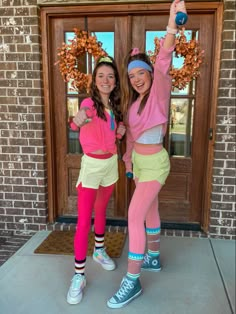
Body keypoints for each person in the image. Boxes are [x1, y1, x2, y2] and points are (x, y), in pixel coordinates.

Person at [107, 0, 187, 309]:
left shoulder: (159, 90)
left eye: (141, 73)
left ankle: (133, 280)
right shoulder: (133, 105)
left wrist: (171, 24)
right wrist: (128, 162)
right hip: (140, 163)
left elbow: (165, 57)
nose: (137, 79)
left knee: (133, 216)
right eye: (132, 76)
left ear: (151, 74)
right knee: (150, 210)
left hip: (156, 164)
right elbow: (130, 138)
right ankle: (152, 257)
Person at [67, 55, 126, 305]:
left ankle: (99, 251)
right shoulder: (89, 103)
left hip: (110, 164)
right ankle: (79, 276)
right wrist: (76, 120)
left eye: (110, 76)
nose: (106, 79)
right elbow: (77, 120)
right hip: (91, 166)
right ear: (95, 80)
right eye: (101, 75)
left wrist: (120, 131)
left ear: (115, 82)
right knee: (83, 220)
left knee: (101, 210)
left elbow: (116, 128)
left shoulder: (115, 105)